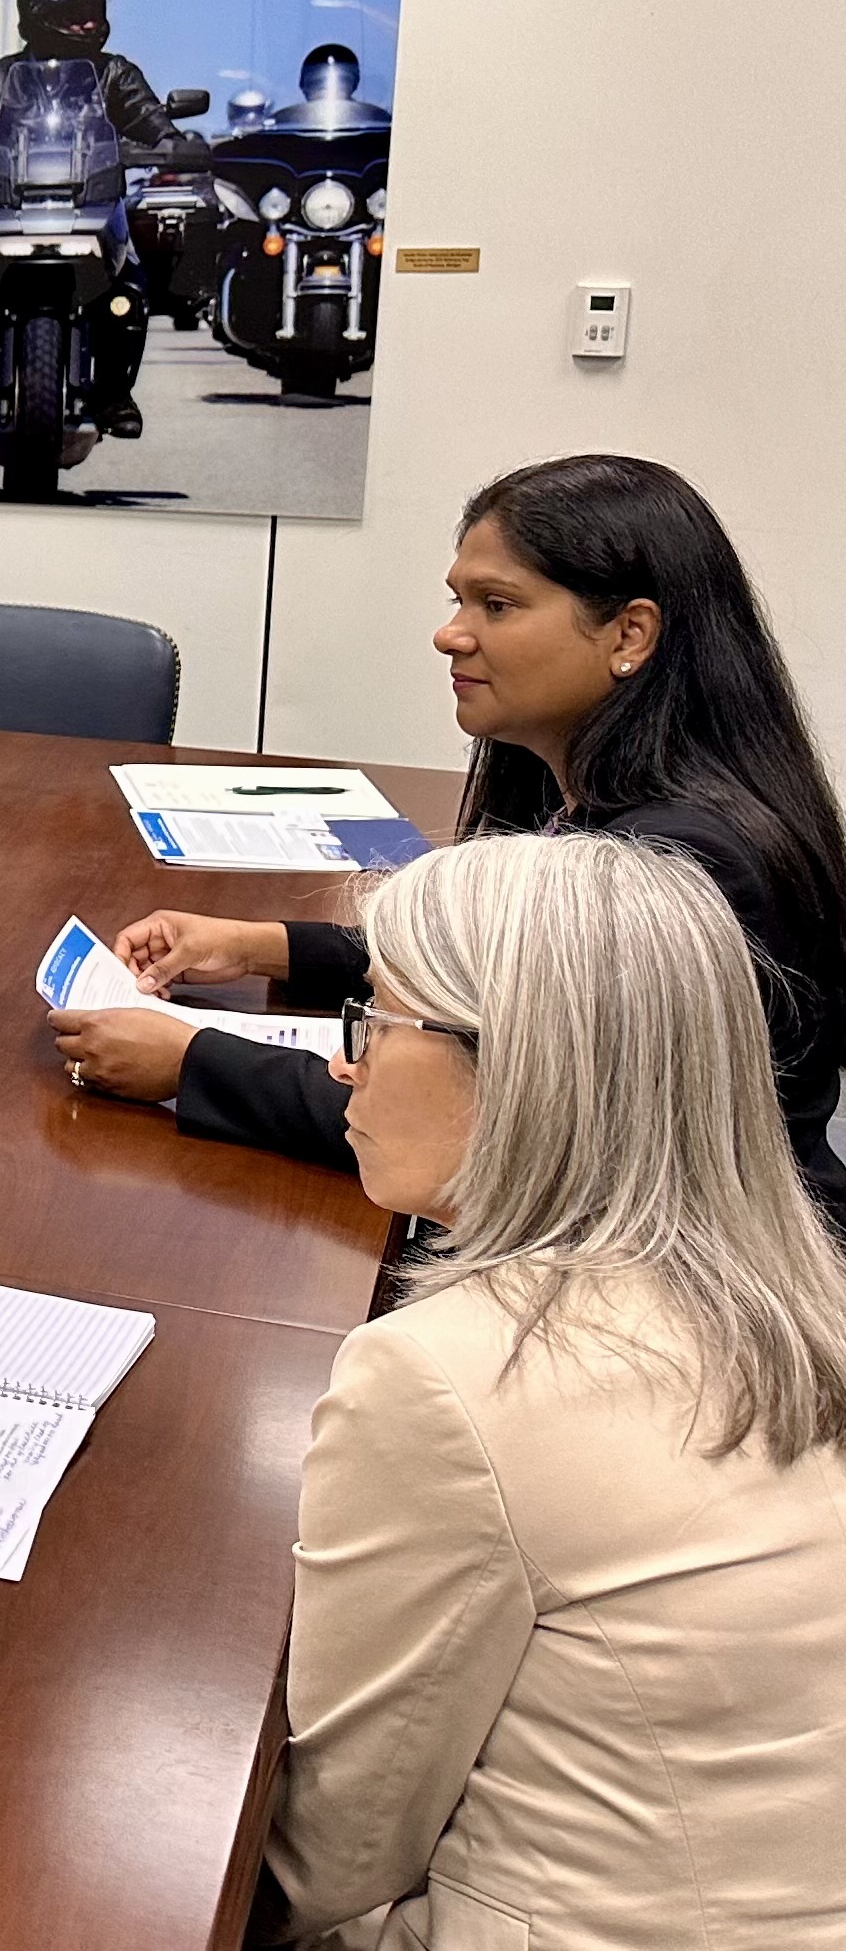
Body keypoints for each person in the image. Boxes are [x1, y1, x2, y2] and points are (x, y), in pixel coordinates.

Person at [255, 832, 846, 1948]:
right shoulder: (798, 1292)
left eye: (377, 1021)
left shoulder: (451, 1378)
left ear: (519, 1063)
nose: (345, 1063)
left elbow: (332, 1854)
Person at [50, 454, 846, 1219]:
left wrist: (190, 1062)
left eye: (495, 605)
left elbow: (495, 1132)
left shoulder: (682, 864)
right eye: (457, 600)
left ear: (629, 635)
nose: (449, 635)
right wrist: (262, 946)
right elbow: (484, 973)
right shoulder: (589, 789)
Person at [0, 0, 189, 437]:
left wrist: (175, 145)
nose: (91, 22)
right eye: (77, 11)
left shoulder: (115, 74)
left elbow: (149, 118)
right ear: (41, 15)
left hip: (92, 206)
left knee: (131, 287)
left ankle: (114, 392)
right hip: (6, 206)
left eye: (97, 10)